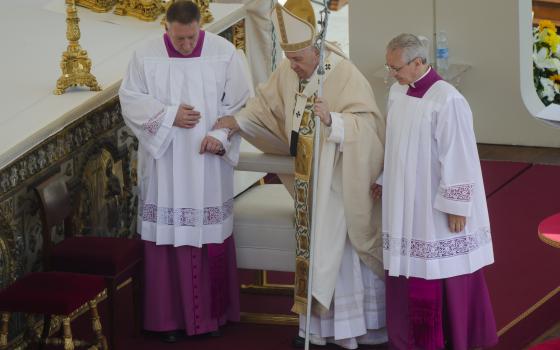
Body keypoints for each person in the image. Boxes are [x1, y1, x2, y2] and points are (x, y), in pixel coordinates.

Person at [213, 1, 387, 348]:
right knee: (313, 250)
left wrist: (333, 121)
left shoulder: (344, 73)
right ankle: (316, 331)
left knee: (337, 254)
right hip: (309, 182)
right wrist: (237, 122)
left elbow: (368, 126)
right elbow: (263, 106)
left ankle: (351, 331)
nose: (292, 66)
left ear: (317, 50)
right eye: (290, 59)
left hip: (338, 182)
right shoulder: (289, 70)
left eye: (299, 59)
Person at [118, 0, 250, 343]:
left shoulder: (225, 54)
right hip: (165, 165)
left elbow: (241, 105)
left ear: (200, 27)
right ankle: (166, 321)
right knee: (167, 234)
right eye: (179, 39)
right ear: (166, 27)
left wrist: (219, 135)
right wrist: (168, 116)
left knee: (207, 233)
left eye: (192, 37)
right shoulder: (145, 56)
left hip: (207, 165)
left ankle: (212, 316)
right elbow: (130, 100)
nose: (187, 45)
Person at [375, 33, 498, 349]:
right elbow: (395, 146)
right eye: (389, 67)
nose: (392, 73)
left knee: (435, 266)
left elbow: (460, 155)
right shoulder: (397, 92)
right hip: (404, 201)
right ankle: (406, 338)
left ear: (417, 63)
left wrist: (457, 204)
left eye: (396, 67)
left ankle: (441, 338)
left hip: (432, 205)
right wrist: (384, 178)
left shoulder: (448, 99)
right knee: (407, 264)